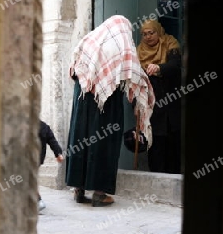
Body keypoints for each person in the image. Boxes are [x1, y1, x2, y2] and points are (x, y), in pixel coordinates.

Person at [65, 15, 155, 207]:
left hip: (82, 100)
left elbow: (73, 70)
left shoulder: (89, 39)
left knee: (80, 139)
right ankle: (99, 193)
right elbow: (134, 74)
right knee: (104, 144)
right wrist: (141, 97)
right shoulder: (122, 43)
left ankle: (78, 190)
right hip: (107, 103)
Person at [136, 19, 182, 174]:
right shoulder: (139, 52)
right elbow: (136, 82)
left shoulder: (170, 43)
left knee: (173, 144)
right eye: (144, 34)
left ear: (158, 31)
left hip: (172, 103)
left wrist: (159, 68)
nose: (148, 37)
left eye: (151, 33)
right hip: (152, 108)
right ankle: (155, 181)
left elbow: (176, 66)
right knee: (155, 144)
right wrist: (136, 105)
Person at [38, 120, 64, 211]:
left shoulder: (42, 126)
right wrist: (58, 153)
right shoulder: (43, 126)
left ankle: (37, 201)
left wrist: (58, 153)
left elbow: (52, 140)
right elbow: (52, 140)